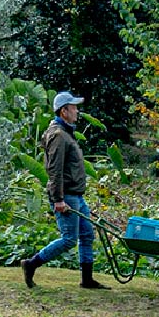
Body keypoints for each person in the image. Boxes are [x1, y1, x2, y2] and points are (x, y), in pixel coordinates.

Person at [21, 91, 107, 289]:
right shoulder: (58, 136)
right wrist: (59, 199)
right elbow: (55, 170)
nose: (77, 111)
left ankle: (87, 280)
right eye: (74, 107)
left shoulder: (65, 132)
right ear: (64, 111)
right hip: (66, 195)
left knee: (86, 235)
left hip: (76, 194)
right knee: (69, 239)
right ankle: (31, 264)